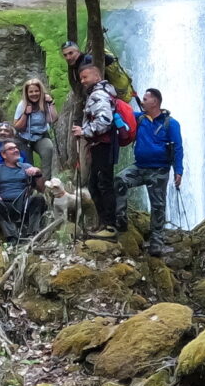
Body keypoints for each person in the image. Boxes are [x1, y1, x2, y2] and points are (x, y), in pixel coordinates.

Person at [115, 88, 184, 256]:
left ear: (155, 101)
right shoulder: (139, 119)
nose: (143, 102)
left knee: (158, 206)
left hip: (159, 169)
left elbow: (178, 148)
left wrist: (178, 170)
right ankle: (120, 220)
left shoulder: (171, 123)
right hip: (139, 167)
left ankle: (156, 243)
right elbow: (123, 112)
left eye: (145, 99)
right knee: (119, 180)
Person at [72, 65, 118, 239]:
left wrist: (84, 131)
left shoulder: (98, 94)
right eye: (81, 78)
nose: (82, 81)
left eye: (85, 77)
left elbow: (105, 120)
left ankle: (110, 226)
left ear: (97, 77)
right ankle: (104, 223)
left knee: (103, 184)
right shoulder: (103, 92)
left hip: (103, 146)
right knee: (96, 184)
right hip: (102, 145)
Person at [0, 139, 47, 245]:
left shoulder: (27, 167)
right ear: (3, 154)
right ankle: (12, 237)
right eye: (11, 149)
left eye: (16, 148)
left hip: (24, 204)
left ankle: (32, 234)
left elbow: (42, 189)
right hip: (5, 205)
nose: (16, 150)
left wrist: (38, 173)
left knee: (39, 199)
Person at [13, 78, 57, 179]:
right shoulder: (22, 105)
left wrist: (51, 104)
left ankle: (46, 182)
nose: (34, 94)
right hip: (24, 138)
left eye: (36, 91)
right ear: (27, 93)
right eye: (31, 92)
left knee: (48, 149)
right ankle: (30, 187)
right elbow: (17, 127)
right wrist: (26, 114)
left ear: (41, 91)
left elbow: (52, 119)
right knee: (28, 165)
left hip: (41, 136)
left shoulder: (45, 103)